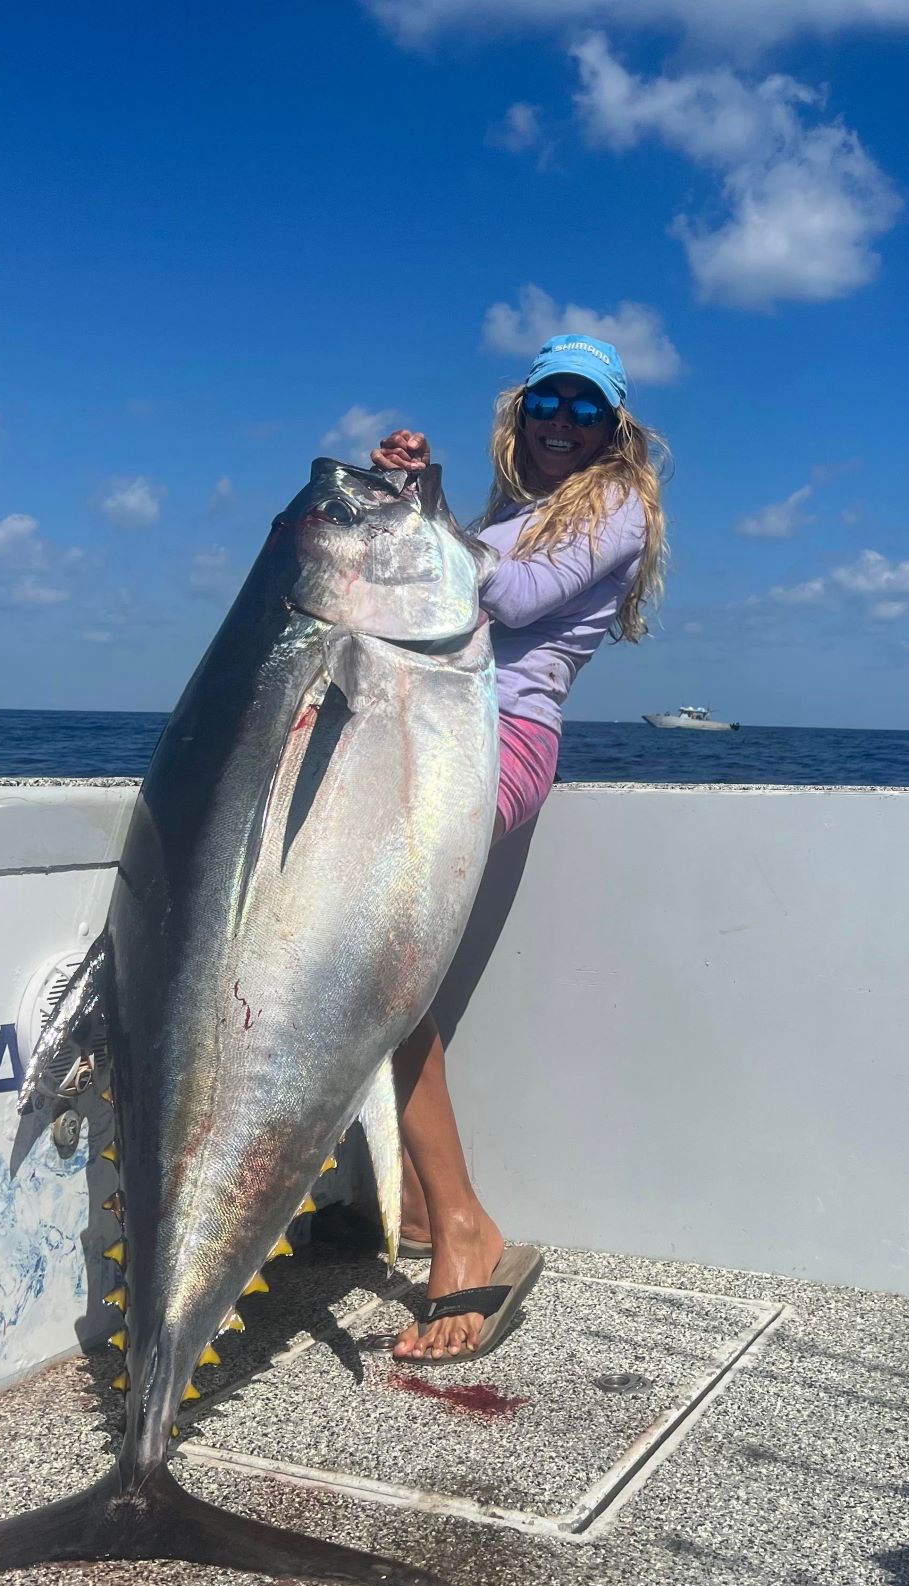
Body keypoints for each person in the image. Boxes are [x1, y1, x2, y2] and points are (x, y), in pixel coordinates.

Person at [371, 333, 670, 1363]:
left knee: (386, 975)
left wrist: (421, 513)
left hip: (500, 747)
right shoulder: (511, 518)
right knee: (392, 972)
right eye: (549, 402)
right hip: (438, 738)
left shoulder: (618, 507)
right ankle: (421, 1203)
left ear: (613, 430)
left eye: (587, 411)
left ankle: (462, 1226)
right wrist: (424, 498)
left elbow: (492, 599)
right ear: (522, 409)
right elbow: (447, 581)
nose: (562, 424)